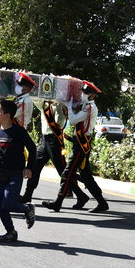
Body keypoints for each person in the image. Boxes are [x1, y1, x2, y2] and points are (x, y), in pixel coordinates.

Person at [42, 81, 109, 213]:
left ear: (92, 95)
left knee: (67, 173)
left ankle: (58, 202)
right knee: (85, 175)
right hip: (80, 142)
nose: (82, 94)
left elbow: (73, 120)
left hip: (82, 144)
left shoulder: (89, 107)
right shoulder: (85, 105)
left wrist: (69, 106)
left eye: (85, 93)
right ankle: (102, 202)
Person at [0, 99, 37, 242]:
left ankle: (27, 208)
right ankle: (11, 232)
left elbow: (32, 148)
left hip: (15, 173)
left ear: (7, 114)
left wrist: (29, 168)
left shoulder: (18, 131)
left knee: (8, 204)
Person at [19, 97, 89, 207]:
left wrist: (57, 105)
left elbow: (59, 122)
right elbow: (35, 99)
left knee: (63, 171)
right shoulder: (44, 103)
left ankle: (80, 195)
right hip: (44, 139)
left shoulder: (60, 105)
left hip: (54, 140)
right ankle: (27, 195)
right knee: (35, 168)